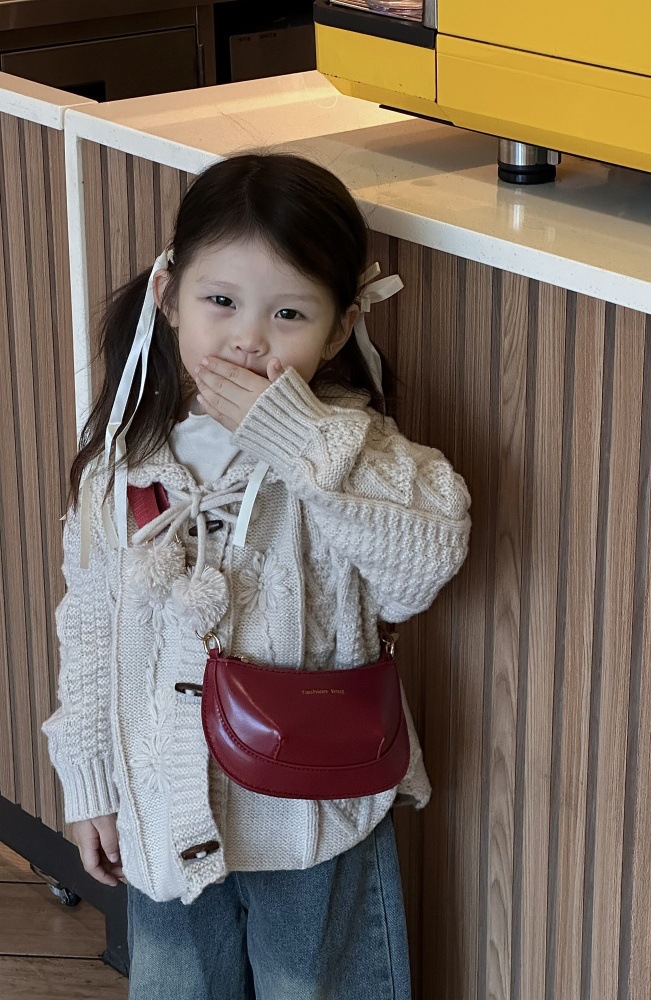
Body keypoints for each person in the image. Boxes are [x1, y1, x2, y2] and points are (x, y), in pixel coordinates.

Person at [42, 152, 471, 1000]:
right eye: (221, 302)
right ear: (169, 296)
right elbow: (88, 627)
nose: (249, 337)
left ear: (339, 330)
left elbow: (425, 560)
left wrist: (295, 435)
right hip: (160, 816)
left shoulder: (346, 448)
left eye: (289, 313)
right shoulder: (125, 463)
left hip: (316, 822)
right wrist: (89, 784)